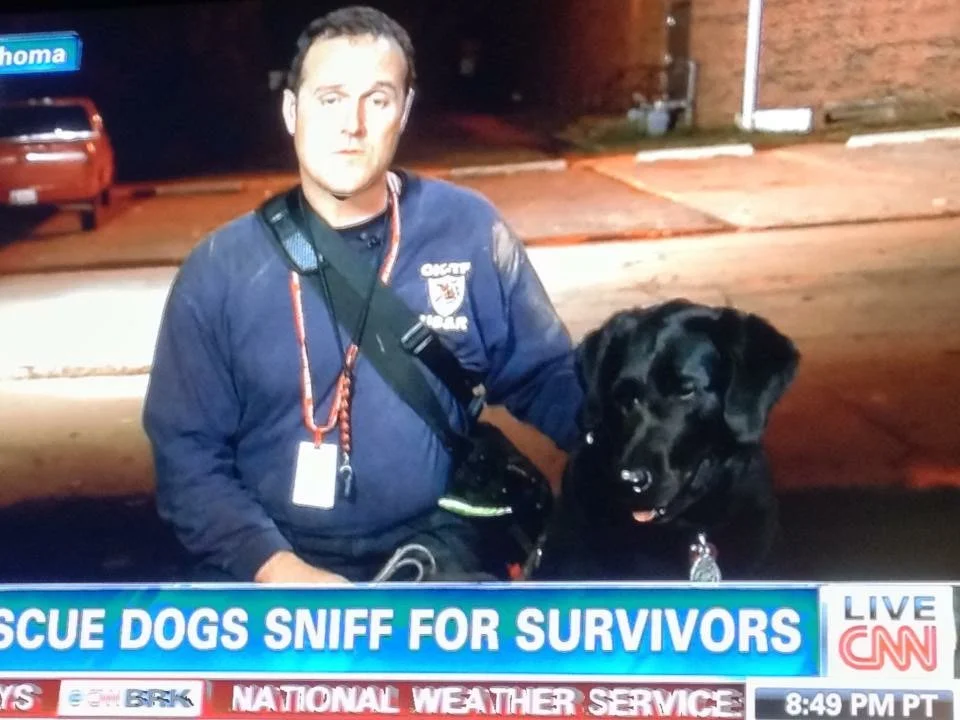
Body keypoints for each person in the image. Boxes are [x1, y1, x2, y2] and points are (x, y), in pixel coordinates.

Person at [142, 5, 582, 584]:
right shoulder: (219, 269)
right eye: (329, 99)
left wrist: (653, 450)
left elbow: (551, 381)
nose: (352, 124)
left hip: (438, 554)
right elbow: (187, 457)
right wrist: (277, 569)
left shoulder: (467, 230)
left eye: (377, 99)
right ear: (291, 111)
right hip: (270, 567)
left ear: (404, 111)